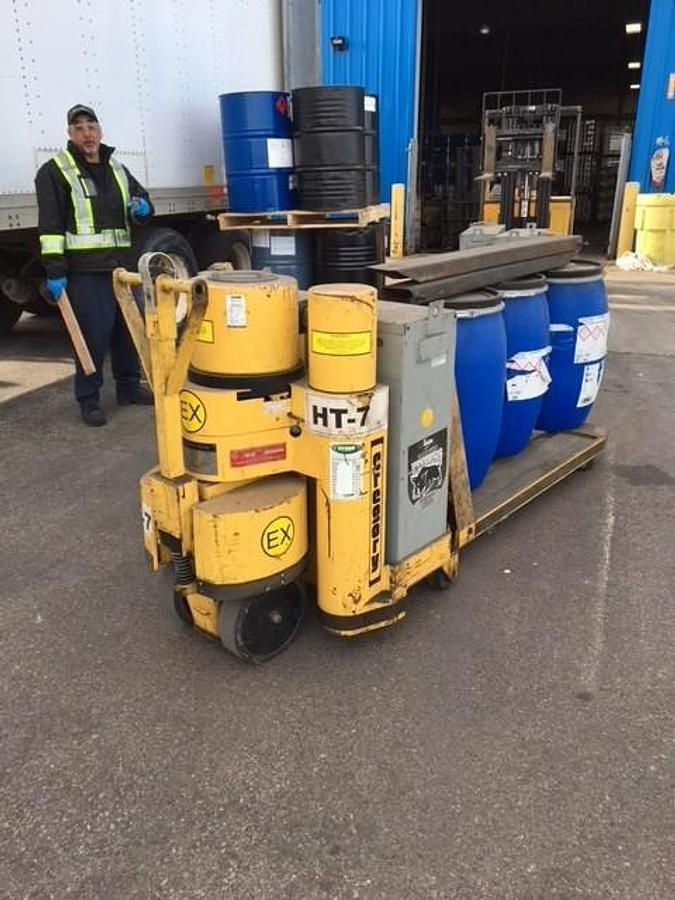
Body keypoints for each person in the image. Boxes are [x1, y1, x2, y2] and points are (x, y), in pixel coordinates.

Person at [35, 104, 154, 426]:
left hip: (120, 268)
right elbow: (50, 226)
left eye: (91, 126)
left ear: (100, 131)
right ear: (70, 135)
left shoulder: (116, 168)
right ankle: (89, 399)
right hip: (85, 271)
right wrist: (55, 271)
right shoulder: (55, 171)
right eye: (79, 128)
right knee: (92, 338)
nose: (87, 133)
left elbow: (141, 203)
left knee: (127, 332)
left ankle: (129, 388)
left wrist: (143, 208)